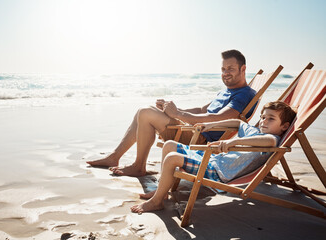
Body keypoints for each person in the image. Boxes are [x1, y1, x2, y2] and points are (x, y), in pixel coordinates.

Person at [87, 49, 256, 177]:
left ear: (243, 69)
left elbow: (220, 118)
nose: (226, 73)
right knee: (143, 111)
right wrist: (174, 111)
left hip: (200, 137)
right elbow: (202, 110)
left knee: (146, 113)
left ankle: (138, 166)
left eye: (231, 68)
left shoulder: (243, 94)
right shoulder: (227, 91)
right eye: (223, 68)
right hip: (193, 128)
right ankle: (115, 157)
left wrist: (178, 115)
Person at [130, 101, 297, 213]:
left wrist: (234, 142)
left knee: (172, 158)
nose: (263, 121)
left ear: (284, 126)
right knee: (169, 145)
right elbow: (238, 123)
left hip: (217, 172)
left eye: (271, 119)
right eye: (262, 117)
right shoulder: (254, 130)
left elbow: (266, 141)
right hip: (210, 161)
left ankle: (156, 202)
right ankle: (162, 191)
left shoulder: (273, 140)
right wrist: (212, 125)